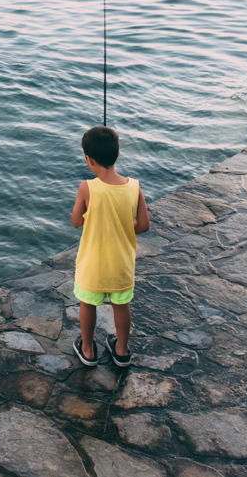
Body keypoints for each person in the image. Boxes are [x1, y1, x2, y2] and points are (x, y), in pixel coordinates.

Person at [69, 125, 150, 367]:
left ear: (89, 159)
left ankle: (87, 350)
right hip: (121, 264)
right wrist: (123, 228)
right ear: (117, 155)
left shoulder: (87, 187)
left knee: (88, 303)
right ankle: (122, 350)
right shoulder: (134, 187)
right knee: (121, 305)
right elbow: (143, 224)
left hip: (93, 263)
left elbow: (75, 222)